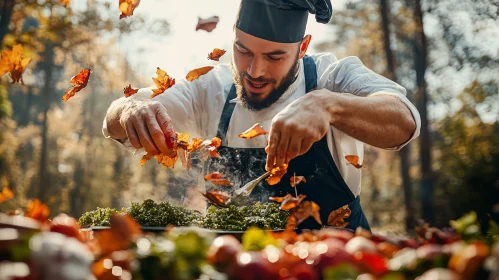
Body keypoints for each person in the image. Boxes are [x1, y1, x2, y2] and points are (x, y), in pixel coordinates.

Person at [103, 0, 421, 231]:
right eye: (243, 51)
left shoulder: (333, 78)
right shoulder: (208, 89)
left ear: (303, 47)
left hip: (336, 264)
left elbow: (404, 119)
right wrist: (132, 108)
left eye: (274, 56)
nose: (255, 71)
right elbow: (114, 120)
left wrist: (328, 105)